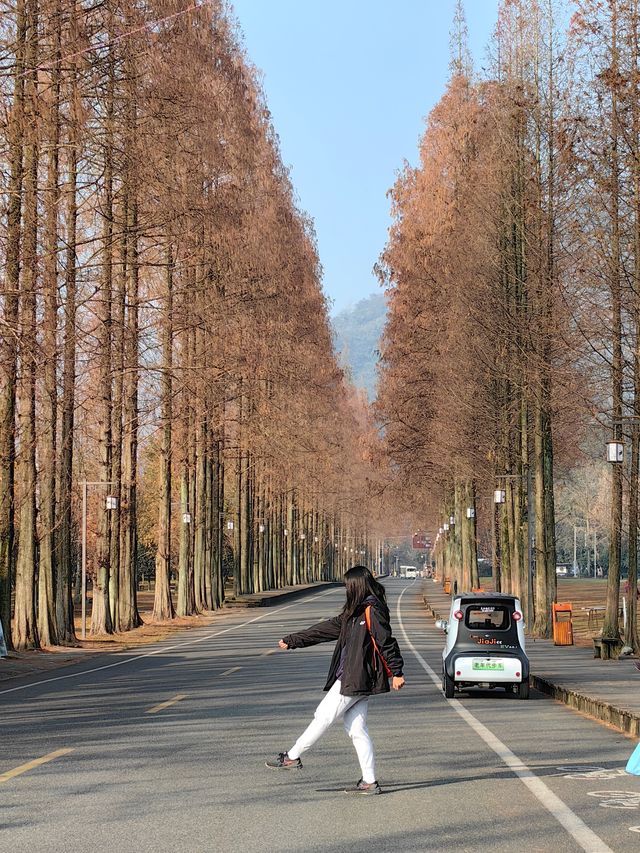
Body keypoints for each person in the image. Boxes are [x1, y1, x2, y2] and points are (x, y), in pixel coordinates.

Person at [265, 566, 405, 795]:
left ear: (356, 586)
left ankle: (292, 756)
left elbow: (386, 641)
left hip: (355, 677)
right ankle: (369, 781)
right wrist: (294, 640)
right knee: (357, 730)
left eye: (348, 585)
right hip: (355, 677)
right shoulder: (354, 613)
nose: (346, 589)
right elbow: (324, 630)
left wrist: (397, 672)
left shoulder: (372, 611)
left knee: (323, 716)